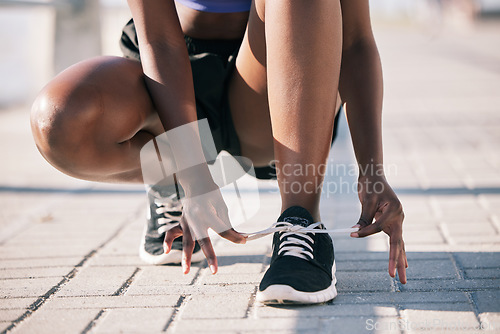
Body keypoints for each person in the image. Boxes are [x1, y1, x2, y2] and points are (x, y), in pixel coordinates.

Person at [30, 0, 407, 304]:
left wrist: (372, 171)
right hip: (169, 76)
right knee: (60, 121)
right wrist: (193, 175)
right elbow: (158, 40)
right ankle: (173, 183)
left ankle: (301, 223)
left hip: (270, 78)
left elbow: (356, 41)